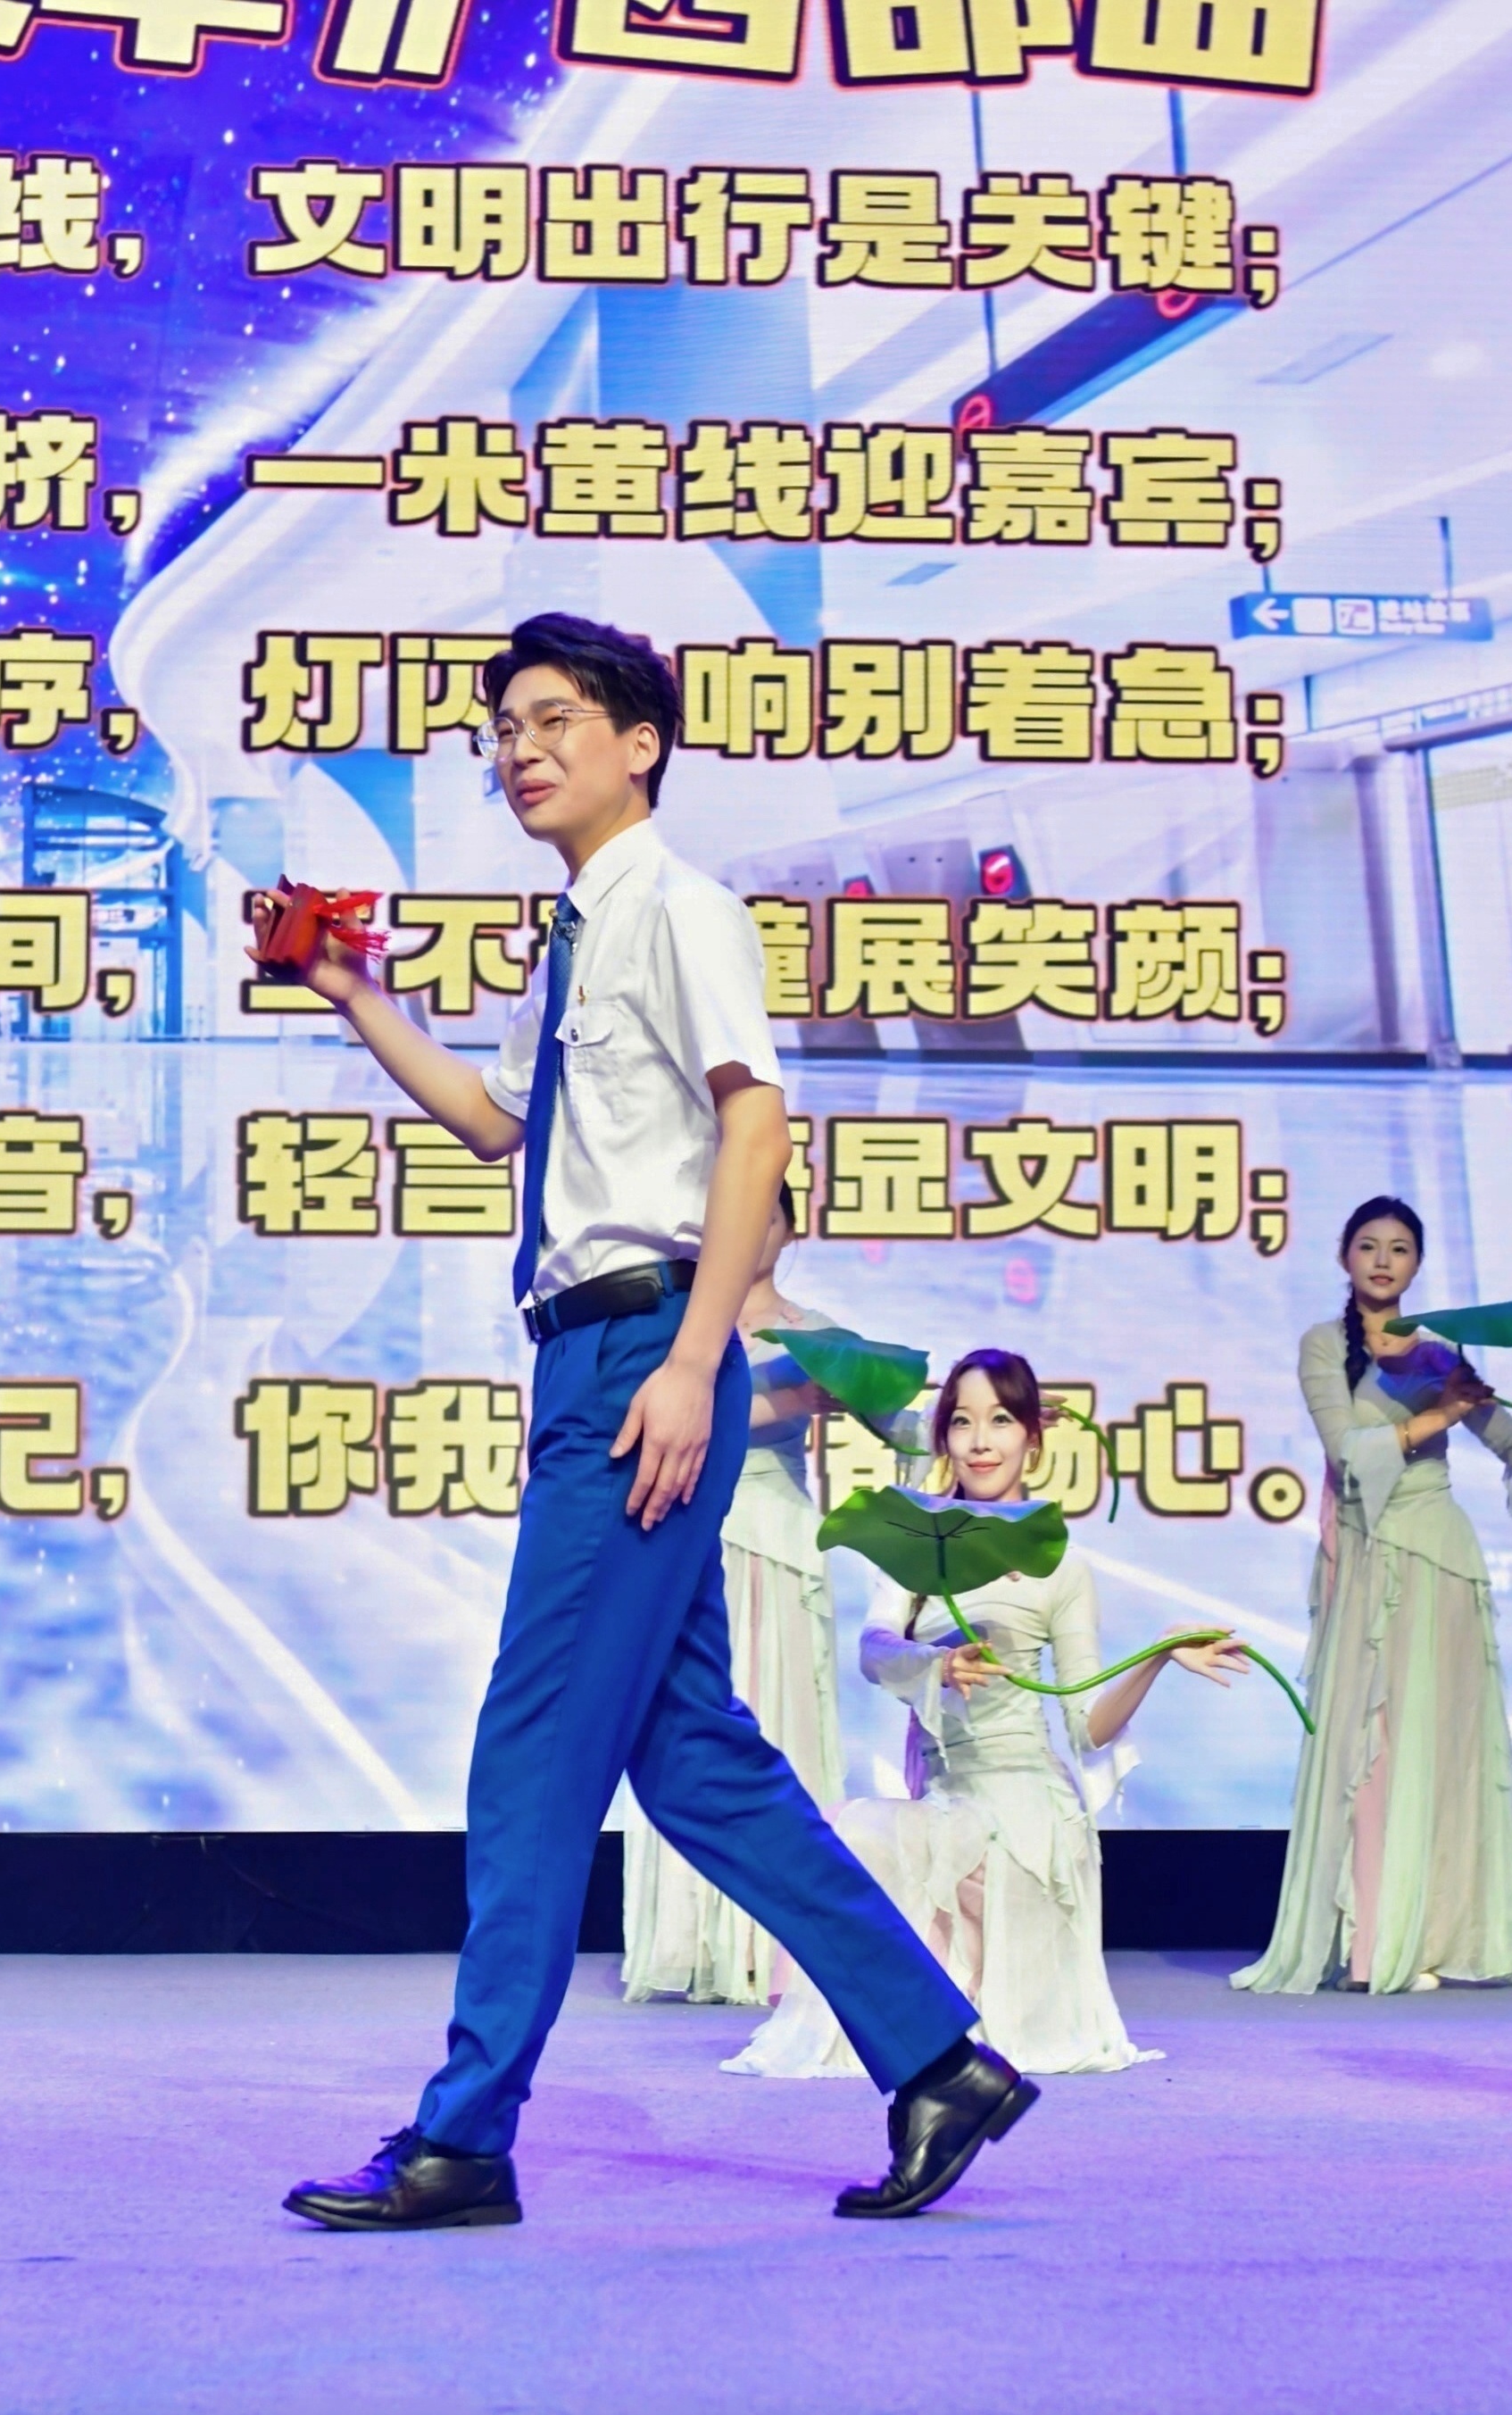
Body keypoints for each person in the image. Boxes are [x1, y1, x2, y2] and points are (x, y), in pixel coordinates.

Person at [273, 614, 1021, 2230]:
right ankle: (939, 2060)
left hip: (638, 1361)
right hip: (592, 1360)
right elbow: (497, 1125)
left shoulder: (680, 909)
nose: (520, 750)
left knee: (531, 1753)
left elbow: (756, 1127)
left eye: (554, 720)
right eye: (504, 730)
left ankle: (466, 2135)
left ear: (641, 743)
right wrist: (351, 992)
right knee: (693, 1764)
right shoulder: (573, 936)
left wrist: (691, 1359)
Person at [728, 1350, 1245, 2078]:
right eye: (963, 1422)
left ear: (1032, 1435)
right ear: (943, 1437)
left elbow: (1087, 1725)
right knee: (853, 1834)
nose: (980, 1440)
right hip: (949, 1804)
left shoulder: (1061, 1563)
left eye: (1001, 1420)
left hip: (1028, 1816)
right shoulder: (919, 1542)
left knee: (901, 1857)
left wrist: (1156, 1655)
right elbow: (874, 1650)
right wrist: (934, 1664)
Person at [1237, 1196, 1512, 1995]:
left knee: (1438, 1753)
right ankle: (1371, 1944)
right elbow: (1346, 1450)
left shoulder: (1437, 1351)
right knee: (1372, 1753)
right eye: (1368, 1245)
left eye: (1399, 1248)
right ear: (1344, 1255)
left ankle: (1423, 1934)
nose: (1382, 1260)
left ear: (1417, 1264)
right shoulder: (1324, 1345)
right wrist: (1441, 1415)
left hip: (1442, 1563)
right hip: (1372, 1563)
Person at [618, 1185, 845, 2006]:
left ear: (787, 1228)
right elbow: (671, 1420)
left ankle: (779, 1949)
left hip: (778, 1543)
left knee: (779, 1727)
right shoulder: (683, 1329)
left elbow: (894, 1415)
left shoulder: (817, 1334)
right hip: (692, 1534)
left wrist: (994, 1413)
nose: (749, 1229)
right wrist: (786, 1400)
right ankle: (691, 1940)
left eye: (765, 1215)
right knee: (688, 1728)